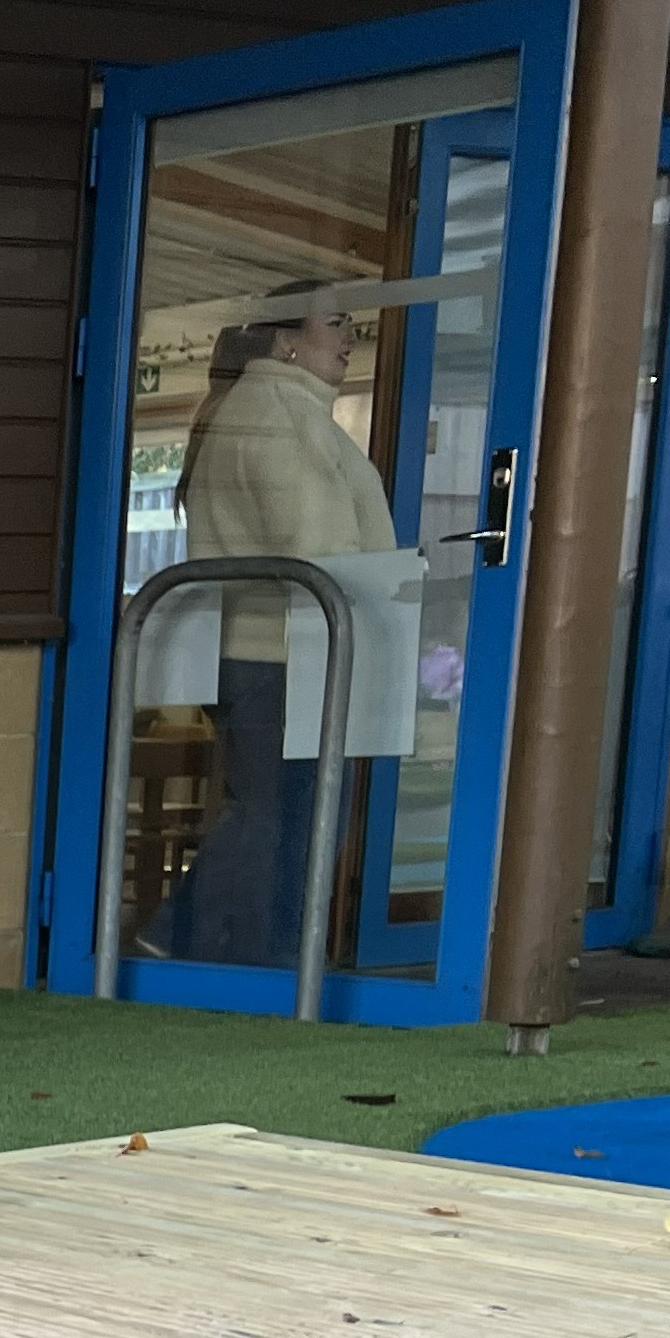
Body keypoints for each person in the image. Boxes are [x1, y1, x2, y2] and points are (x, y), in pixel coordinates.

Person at [170, 308, 395, 967]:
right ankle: (220, 948)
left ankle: (220, 949)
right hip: (287, 651)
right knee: (288, 822)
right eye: (336, 321)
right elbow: (319, 547)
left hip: (267, 648)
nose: (351, 336)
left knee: (273, 816)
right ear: (285, 341)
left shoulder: (264, 410)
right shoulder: (281, 417)